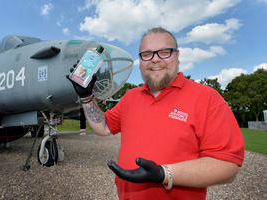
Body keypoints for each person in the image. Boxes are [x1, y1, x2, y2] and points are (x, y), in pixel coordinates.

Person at [67, 27, 245, 200]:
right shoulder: (130, 97)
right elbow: (103, 127)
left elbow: (227, 167)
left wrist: (163, 174)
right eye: (147, 54)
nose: (155, 59)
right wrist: (86, 96)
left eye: (164, 52)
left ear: (177, 56)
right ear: (141, 60)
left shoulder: (207, 98)